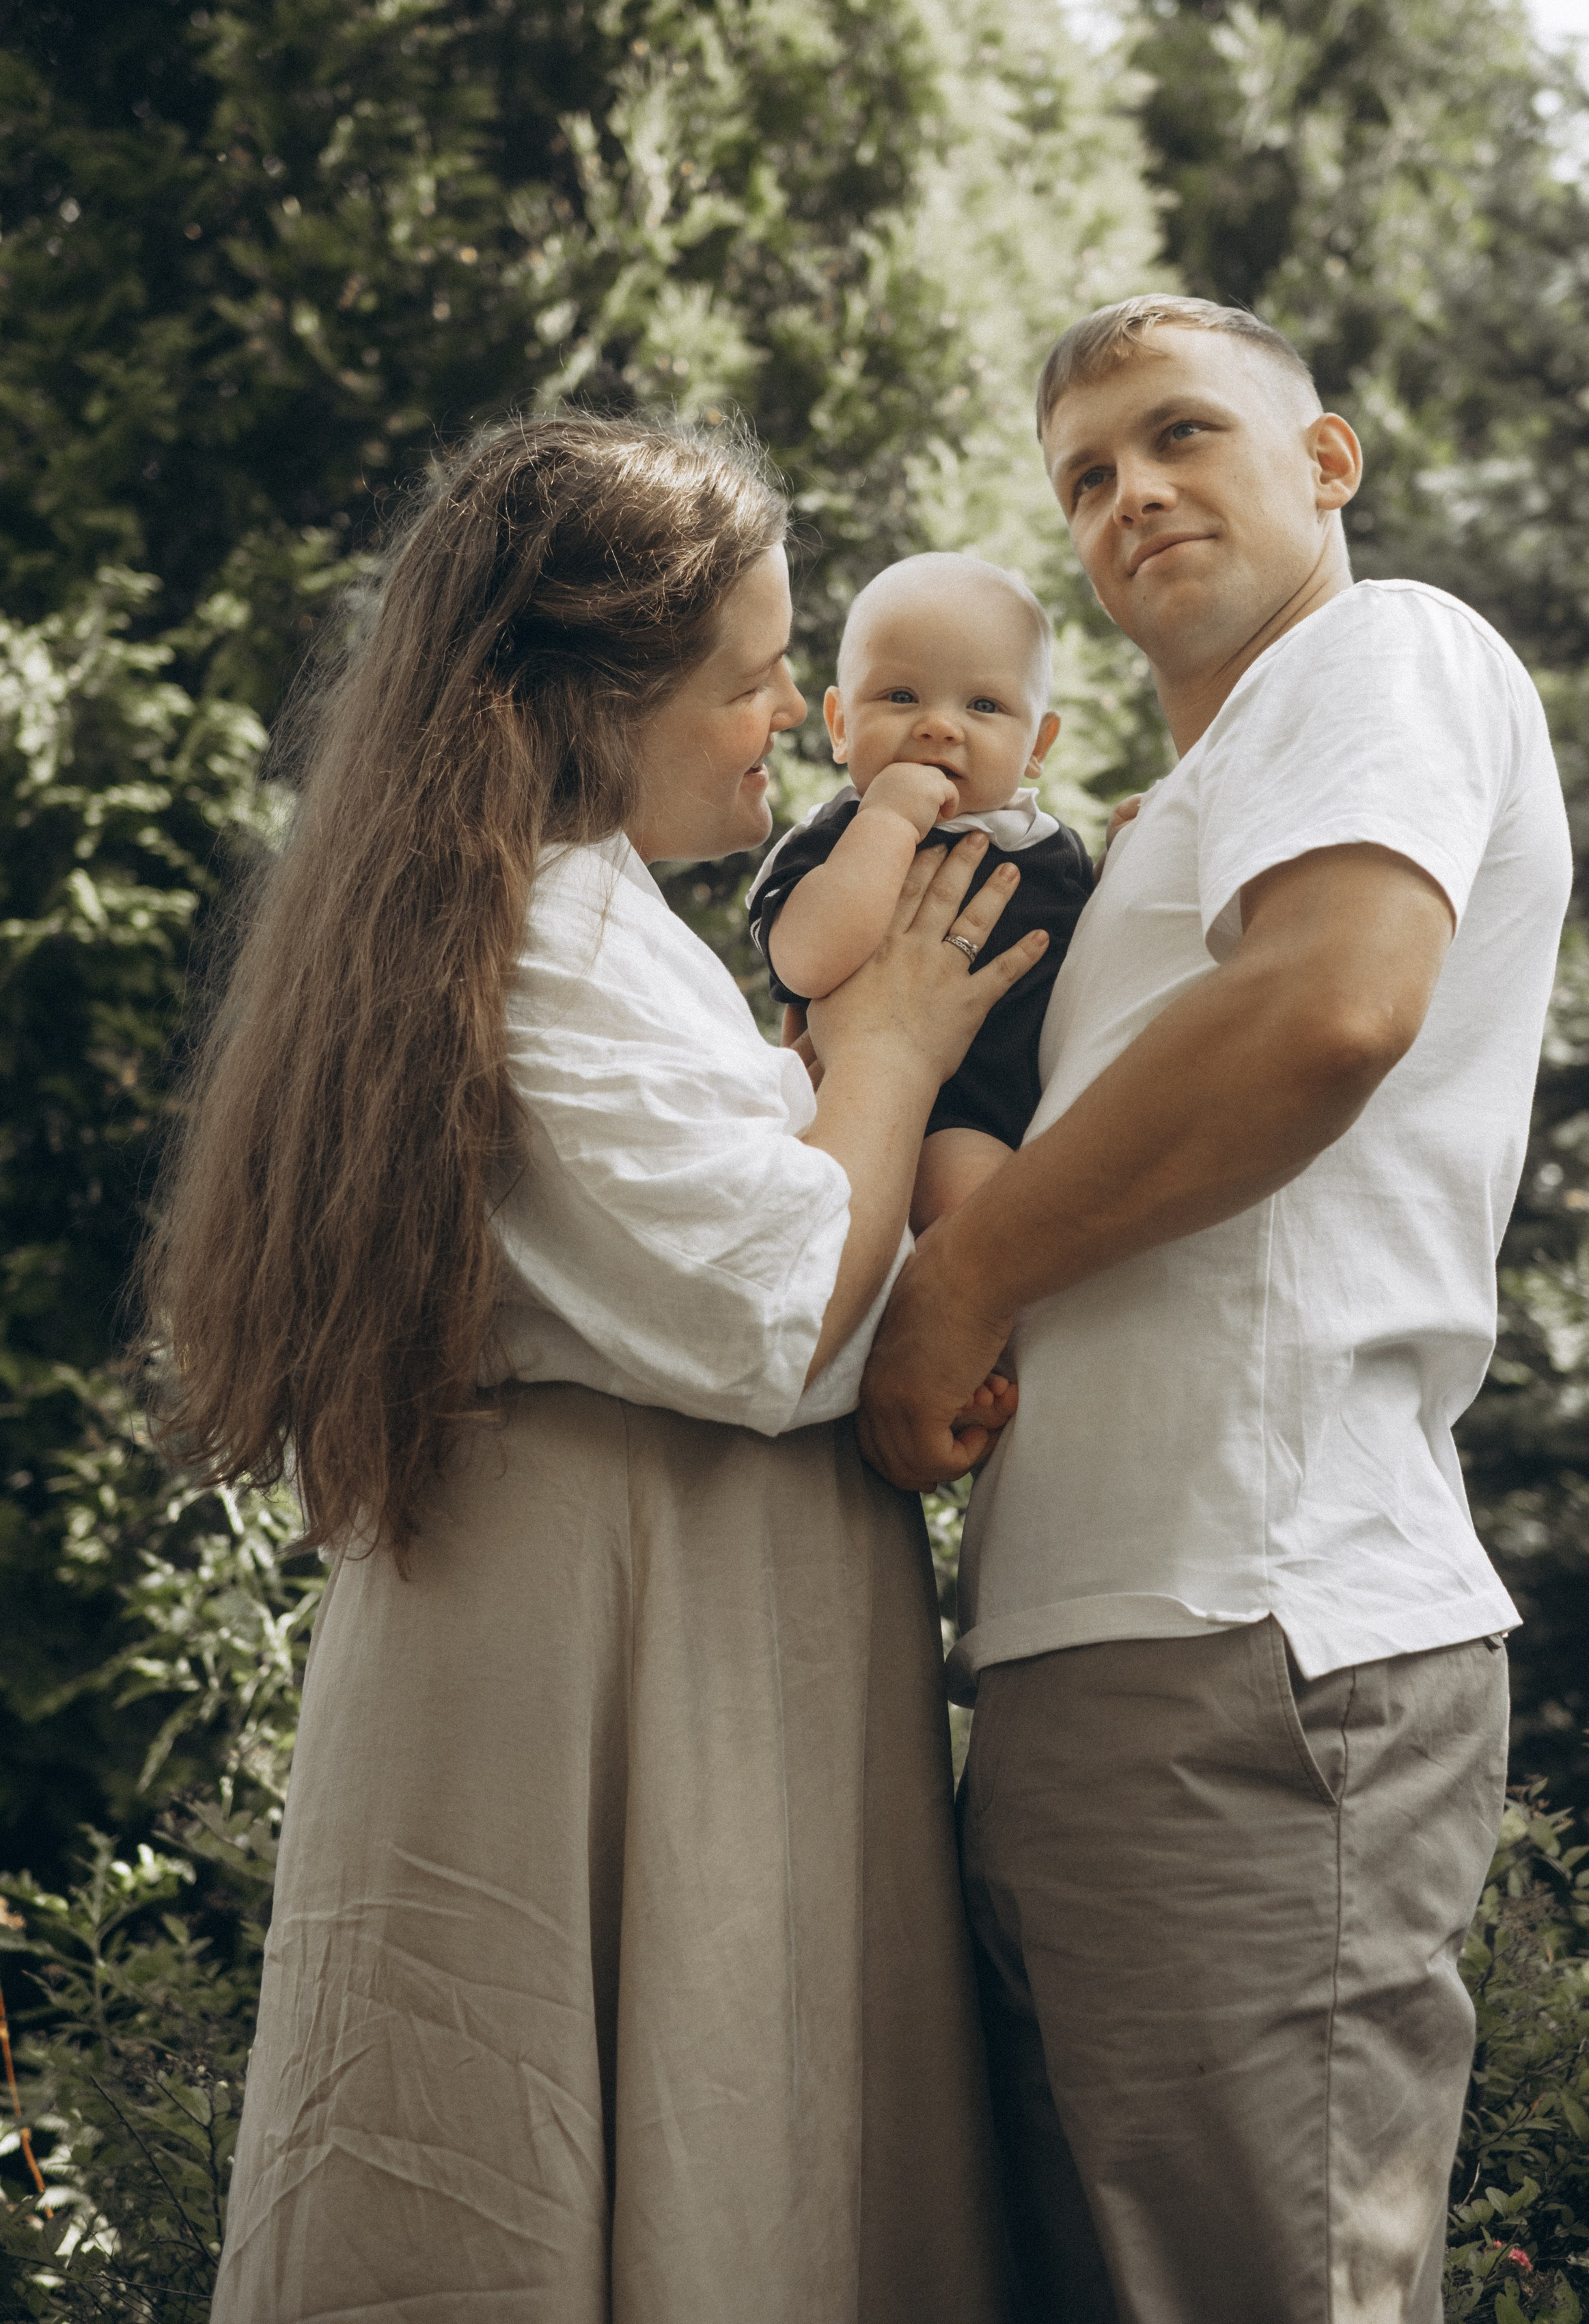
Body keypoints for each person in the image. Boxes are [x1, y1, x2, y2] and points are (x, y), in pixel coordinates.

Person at [141, 411, 1040, 2322]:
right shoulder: (531, 942)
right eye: (749, 677)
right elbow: (769, 1307)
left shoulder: (600, 916)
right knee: (554, 2188)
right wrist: (885, 1049)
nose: (796, 714)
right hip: (605, 1654)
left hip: (691, 1626)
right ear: (587, 700)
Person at [859, 294, 1573, 2324]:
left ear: (1325, 461)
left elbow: (1329, 1002)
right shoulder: (1165, 829)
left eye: (1182, 436)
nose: (1130, 493)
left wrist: (960, 1282)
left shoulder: (1381, 649)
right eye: (1085, 474)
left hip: (1261, 1640)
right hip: (1096, 1650)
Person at [747, 552, 1092, 1227]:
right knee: (964, 1200)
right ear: (841, 725)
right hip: (910, 1112)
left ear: (1036, 744)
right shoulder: (834, 836)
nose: (939, 725)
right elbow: (805, 961)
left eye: (984, 705)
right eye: (901, 696)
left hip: (1035, 1109)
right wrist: (888, 820)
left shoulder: (1055, 853)